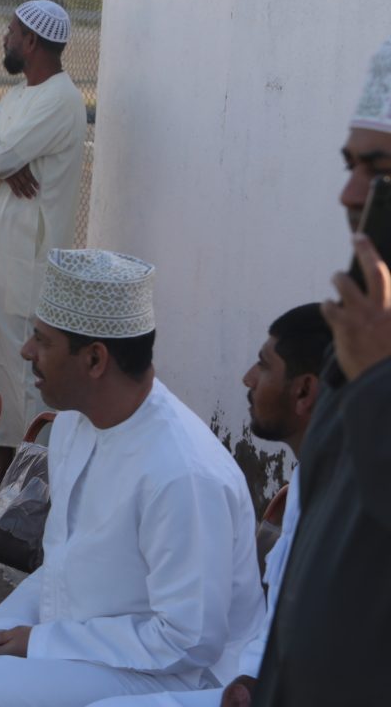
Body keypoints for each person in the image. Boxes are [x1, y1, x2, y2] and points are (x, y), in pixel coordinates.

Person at [0, 249, 265, 707]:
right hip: (78, 643)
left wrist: (39, 643)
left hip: (168, 675)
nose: (26, 351)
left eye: (42, 341)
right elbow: (61, 570)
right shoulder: (72, 426)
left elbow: (188, 641)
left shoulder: (182, 473)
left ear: (95, 360)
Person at [86, 303, 330, 707]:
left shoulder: (187, 469)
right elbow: (281, 618)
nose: (248, 378)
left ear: (303, 391)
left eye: (263, 365)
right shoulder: (311, 477)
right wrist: (252, 678)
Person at [252, 39, 391, 707]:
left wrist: (376, 381)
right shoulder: (362, 331)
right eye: (350, 166)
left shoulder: (370, 350)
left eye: (380, 172)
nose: (350, 194)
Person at [0, 0, 87, 476]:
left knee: (25, 368)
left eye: (11, 31)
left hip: (23, 262)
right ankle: (3, 457)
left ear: (31, 41)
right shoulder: (17, 96)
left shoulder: (61, 99)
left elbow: (0, 156)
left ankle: (30, 472)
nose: (5, 38)